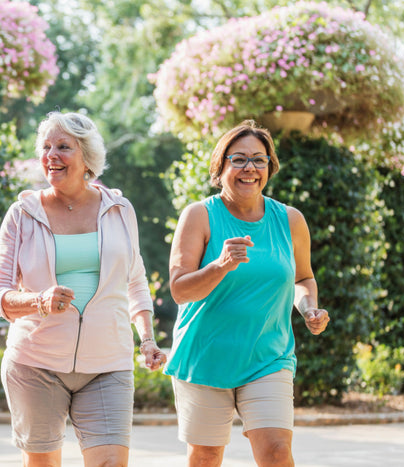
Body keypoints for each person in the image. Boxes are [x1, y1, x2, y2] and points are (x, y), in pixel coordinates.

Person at [0, 111, 167, 467]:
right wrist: (39, 300)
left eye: (64, 147)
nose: (51, 155)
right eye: (46, 147)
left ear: (87, 158)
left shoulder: (119, 209)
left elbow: (135, 280)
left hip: (108, 363)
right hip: (35, 364)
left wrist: (146, 339)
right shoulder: (22, 214)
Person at [166, 120, 330, 467]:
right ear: (220, 166)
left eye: (259, 159)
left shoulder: (290, 220)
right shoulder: (199, 216)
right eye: (238, 159)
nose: (249, 168)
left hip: (268, 357)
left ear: (270, 166)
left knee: (276, 452)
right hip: (205, 357)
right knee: (206, 457)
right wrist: (220, 265)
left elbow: (303, 278)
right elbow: (180, 290)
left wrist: (309, 308)